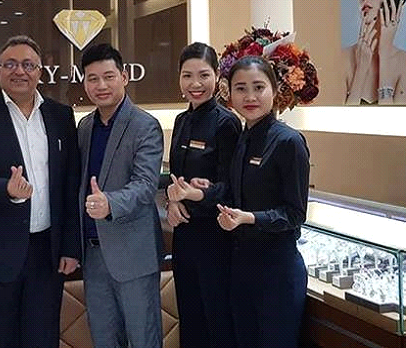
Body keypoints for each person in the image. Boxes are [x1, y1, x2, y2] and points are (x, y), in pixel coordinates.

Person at [170, 55, 310, 348]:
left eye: (258, 87)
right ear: (229, 93)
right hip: (240, 266)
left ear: (274, 89)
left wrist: (250, 218)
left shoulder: (289, 142)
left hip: (276, 269)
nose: (250, 97)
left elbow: (295, 214)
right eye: (241, 88)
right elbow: (233, 193)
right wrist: (203, 191)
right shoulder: (243, 138)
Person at [0, 35, 80, 348]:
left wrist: (70, 247)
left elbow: (70, 184)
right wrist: (6, 189)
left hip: (46, 254)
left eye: (28, 64)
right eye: (10, 64)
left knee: (43, 339)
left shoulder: (61, 115)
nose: (19, 71)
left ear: (40, 71)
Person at [77, 43, 164, 348]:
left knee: (143, 339)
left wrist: (110, 203)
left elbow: (145, 184)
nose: (101, 85)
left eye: (108, 76)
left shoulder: (145, 125)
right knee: (104, 339)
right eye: (92, 78)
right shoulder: (85, 126)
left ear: (124, 77)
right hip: (93, 255)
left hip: (133, 254)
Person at [165, 42, 240, 348]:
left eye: (203, 75)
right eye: (187, 76)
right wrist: (172, 201)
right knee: (191, 319)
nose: (195, 84)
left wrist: (196, 195)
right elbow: (176, 179)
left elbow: (232, 189)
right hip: (184, 236)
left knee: (217, 322)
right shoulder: (181, 121)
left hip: (215, 238)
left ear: (217, 75)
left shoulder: (226, 122)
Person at [345, 0, 406, 104]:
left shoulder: (403, 63)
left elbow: (391, 120)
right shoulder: (343, 59)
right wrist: (361, 70)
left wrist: (384, 55)